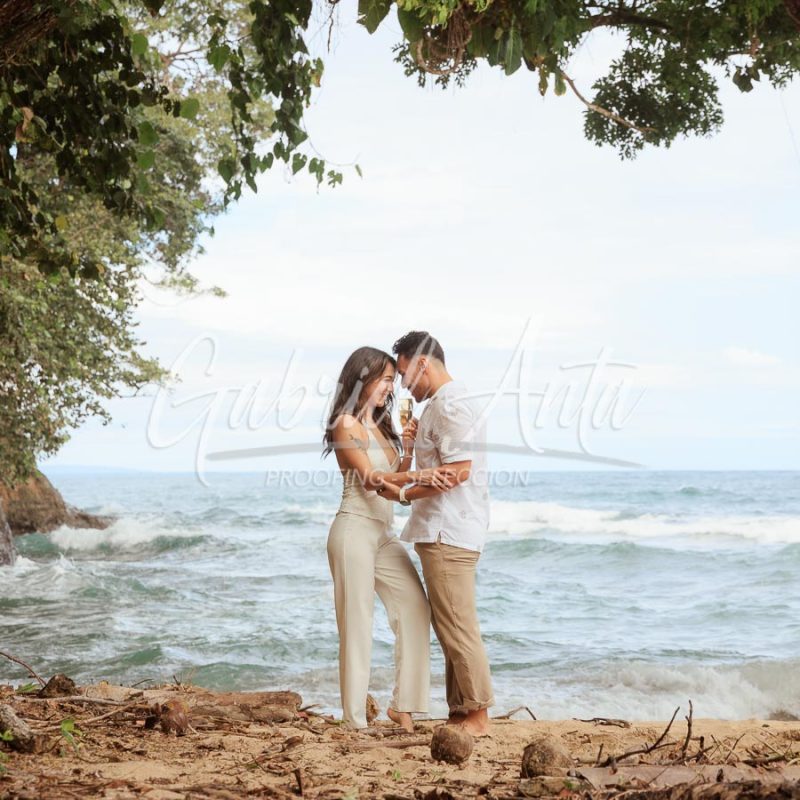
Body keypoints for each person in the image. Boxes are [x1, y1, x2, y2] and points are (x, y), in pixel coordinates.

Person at [322, 346, 453, 732]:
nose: (390, 387)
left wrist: (408, 452)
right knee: (357, 623)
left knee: (415, 608)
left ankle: (403, 706)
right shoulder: (345, 423)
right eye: (384, 380)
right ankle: (354, 720)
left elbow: (392, 475)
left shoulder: (380, 426)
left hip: (383, 533)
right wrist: (421, 479)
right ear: (362, 378)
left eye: (393, 380)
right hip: (353, 531)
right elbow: (371, 480)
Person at [376, 331, 494, 737]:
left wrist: (404, 487)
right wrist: (407, 473)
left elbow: (459, 471)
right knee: (449, 623)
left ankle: (478, 715)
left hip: (449, 530)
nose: (404, 383)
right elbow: (445, 468)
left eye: (406, 373)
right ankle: (461, 711)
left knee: (457, 624)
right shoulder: (442, 405)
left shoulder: (450, 405)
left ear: (423, 363)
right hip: (444, 527)